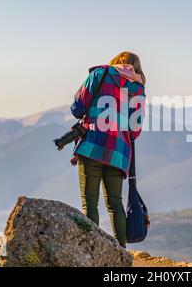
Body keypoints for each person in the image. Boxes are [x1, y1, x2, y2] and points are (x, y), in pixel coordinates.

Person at [70, 52, 146, 247]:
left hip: (92, 146)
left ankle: (90, 247)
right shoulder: (138, 89)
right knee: (115, 203)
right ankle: (121, 251)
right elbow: (135, 130)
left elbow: (77, 107)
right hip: (119, 153)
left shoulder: (100, 74)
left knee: (90, 203)